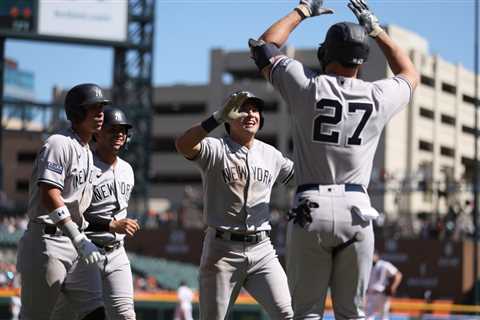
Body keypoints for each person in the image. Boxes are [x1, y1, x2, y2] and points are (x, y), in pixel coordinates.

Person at [249, 0, 418, 318]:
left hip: (310, 206)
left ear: (325, 53)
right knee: (352, 314)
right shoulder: (377, 95)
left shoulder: (306, 85)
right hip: (357, 210)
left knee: (307, 313)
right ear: (363, 59)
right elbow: (409, 72)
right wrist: (376, 29)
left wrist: (302, 11)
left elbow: (264, 46)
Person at [175, 91, 295, 319]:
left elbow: (300, 179)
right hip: (222, 250)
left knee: (288, 314)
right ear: (229, 117)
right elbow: (183, 145)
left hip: (262, 250)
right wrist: (216, 118)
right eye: (243, 109)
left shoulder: (271, 154)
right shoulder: (215, 148)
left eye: (255, 109)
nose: (250, 114)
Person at [16, 83, 109, 320]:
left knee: (96, 311)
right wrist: (77, 237)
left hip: (76, 243)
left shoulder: (87, 150)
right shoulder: (59, 143)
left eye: (101, 108)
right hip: (47, 241)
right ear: (77, 112)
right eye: (93, 108)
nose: (100, 114)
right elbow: (49, 193)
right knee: (36, 316)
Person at [51, 107, 140, 320]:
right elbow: (71, 213)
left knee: (126, 315)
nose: (119, 134)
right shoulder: (84, 165)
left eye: (123, 130)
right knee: (66, 315)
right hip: (85, 251)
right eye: (113, 129)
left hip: (117, 252)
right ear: (98, 133)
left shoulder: (128, 169)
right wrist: (110, 224)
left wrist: (118, 225)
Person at [365, 250, 402, 320]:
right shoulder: (367, 265)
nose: (372, 257)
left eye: (373, 255)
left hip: (382, 294)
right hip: (370, 295)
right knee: (368, 318)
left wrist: (393, 287)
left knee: (383, 318)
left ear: (377, 256)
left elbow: (398, 275)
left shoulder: (384, 264)